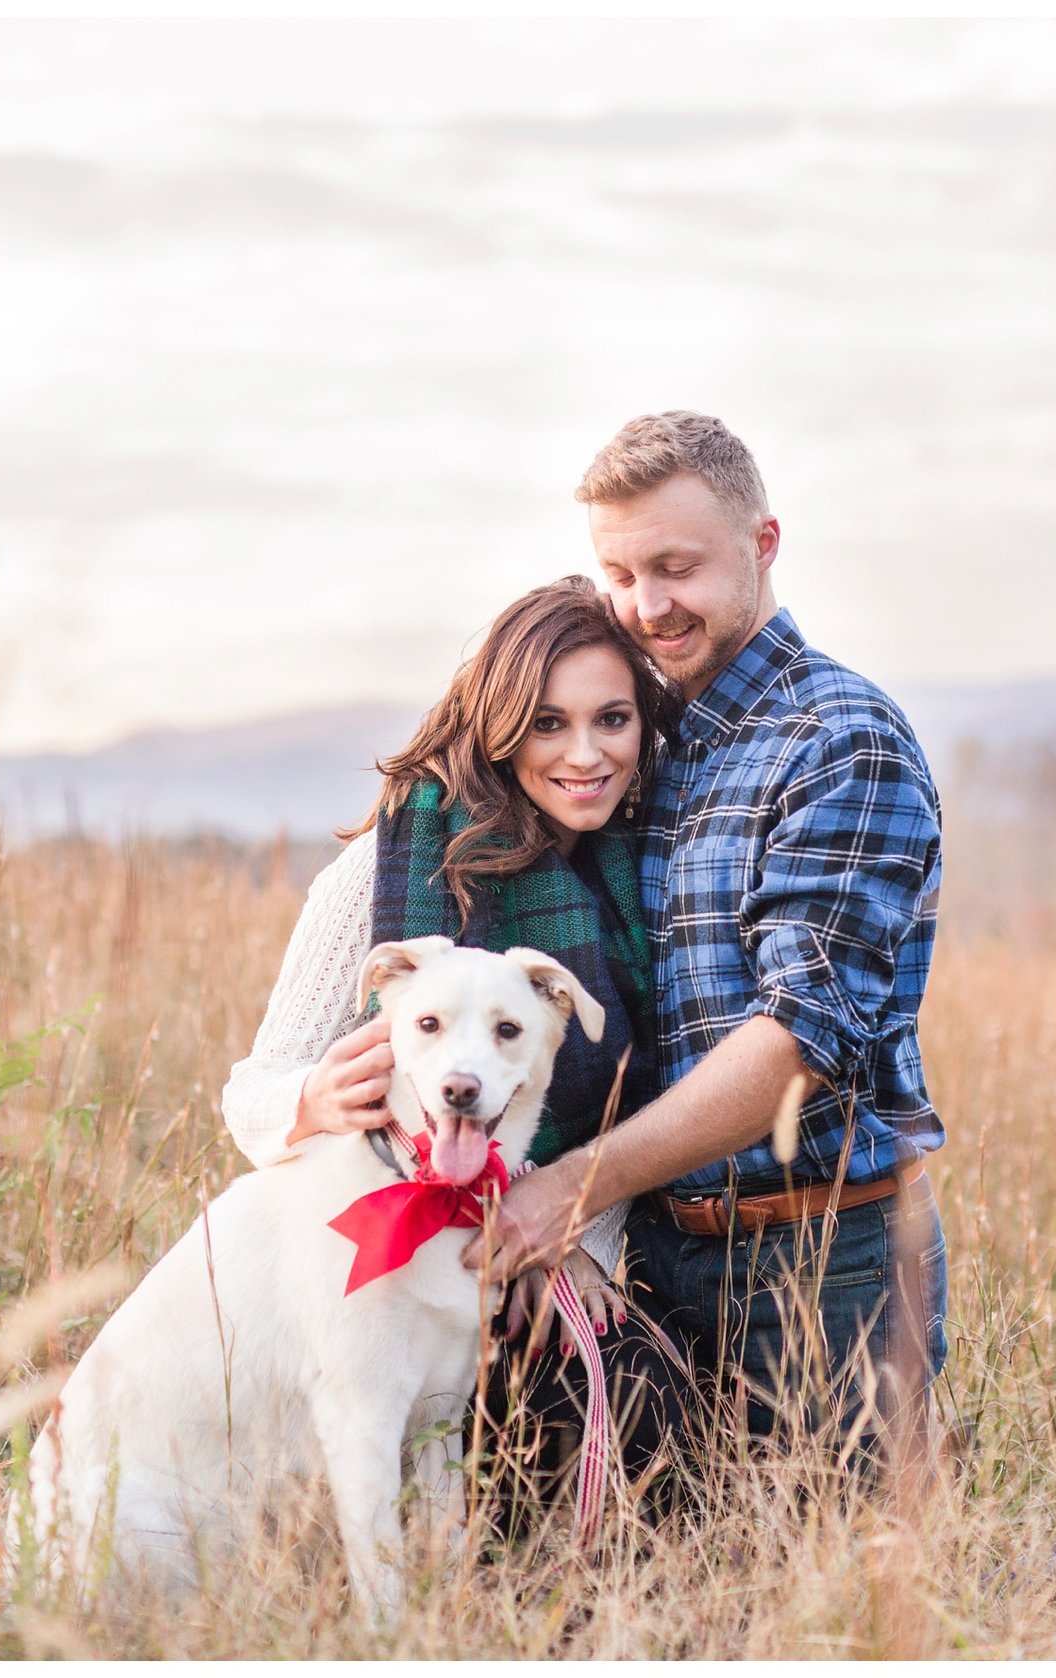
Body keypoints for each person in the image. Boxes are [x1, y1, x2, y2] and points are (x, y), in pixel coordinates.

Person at [464, 411, 949, 1464]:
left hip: (820, 1260)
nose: (646, 606)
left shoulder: (839, 743)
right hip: (652, 1258)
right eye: (619, 573)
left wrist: (576, 1182)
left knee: (846, 1601)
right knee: (690, 1585)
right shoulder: (643, 739)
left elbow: (798, 1042)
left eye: (675, 566)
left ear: (763, 542)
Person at [219, 577, 695, 1532]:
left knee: (651, 1414)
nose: (585, 753)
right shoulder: (386, 873)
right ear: (499, 725)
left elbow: (605, 1108)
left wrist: (575, 1249)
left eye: (613, 719)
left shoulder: (638, 873)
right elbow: (251, 1096)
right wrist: (310, 1098)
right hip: (383, 1283)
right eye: (548, 724)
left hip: (536, 1274)